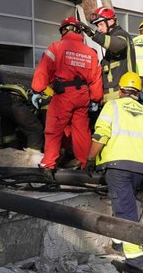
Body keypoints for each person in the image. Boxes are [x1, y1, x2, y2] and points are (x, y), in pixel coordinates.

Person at [84, 72, 143, 273]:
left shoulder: (112, 106)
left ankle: (135, 262)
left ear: (120, 90)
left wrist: (90, 159)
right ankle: (118, 244)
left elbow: (101, 134)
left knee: (126, 211)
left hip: (118, 166)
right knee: (124, 204)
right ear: (138, 93)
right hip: (139, 168)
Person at [31, 16, 103, 172]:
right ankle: (86, 164)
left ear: (63, 30)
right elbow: (96, 80)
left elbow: (42, 72)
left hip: (64, 95)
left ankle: (48, 165)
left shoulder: (56, 48)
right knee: (81, 131)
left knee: (54, 130)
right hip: (83, 96)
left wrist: (38, 89)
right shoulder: (91, 53)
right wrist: (96, 99)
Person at [80, 7, 136, 103]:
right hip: (114, 98)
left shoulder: (121, 34)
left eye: (101, 24)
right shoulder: (111, 38)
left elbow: (118, 45)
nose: (99, 29)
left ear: (110, 21)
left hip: (122, 96)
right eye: (97, 26)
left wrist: (94, 35)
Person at [0, 76, 44, 156]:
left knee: (8, 128)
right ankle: (32, 158)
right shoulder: (39, 95)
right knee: (35, 129)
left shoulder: (9, 87)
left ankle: (11, 154)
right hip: (13, 101)